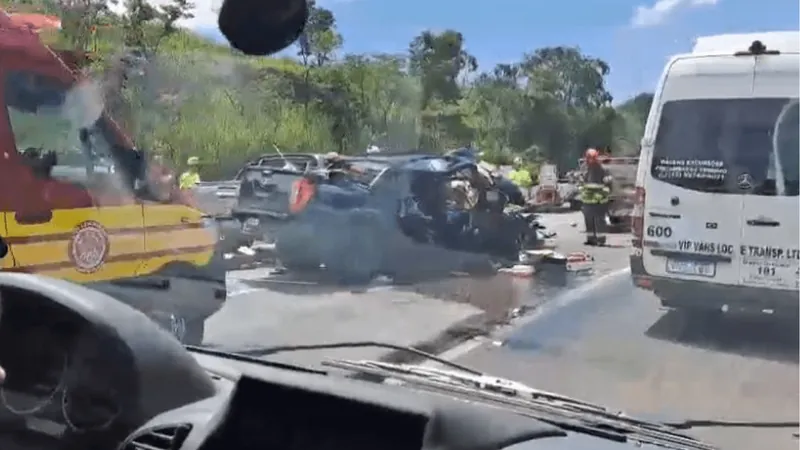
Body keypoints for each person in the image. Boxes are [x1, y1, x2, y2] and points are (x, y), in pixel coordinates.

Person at [579, 148, 613, 245]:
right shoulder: (584, 168)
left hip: (599, 200)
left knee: (599, 221)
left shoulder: (602, 169)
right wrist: (580, 187)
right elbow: (581, 181)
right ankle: (591, 239)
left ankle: (601, 240)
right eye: (589, 158)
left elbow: (608, 184)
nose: (590, 160)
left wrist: (604, 194)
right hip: (587, 200)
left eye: (592, 158)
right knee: (588, 220)